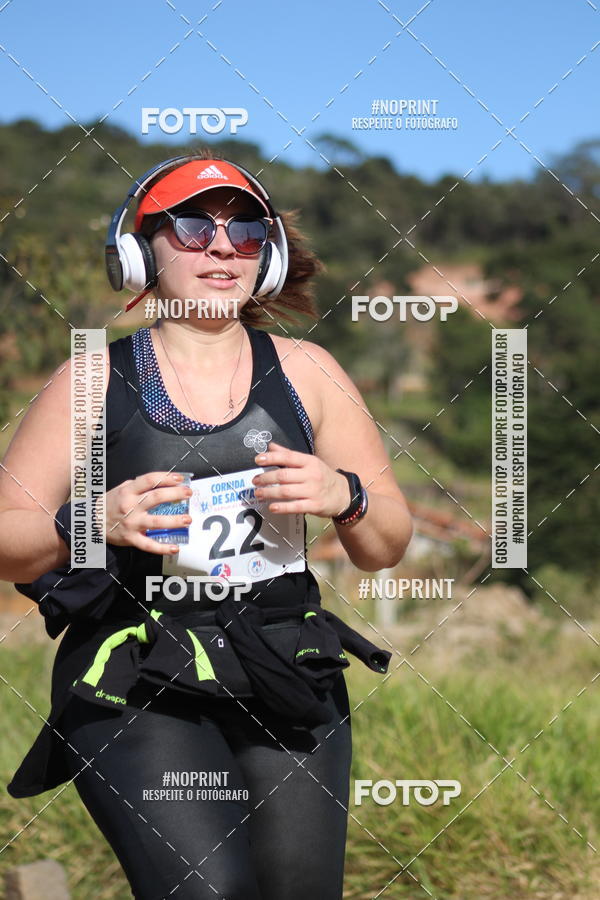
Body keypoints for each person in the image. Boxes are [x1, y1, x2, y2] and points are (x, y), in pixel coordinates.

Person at [0, 150, 413, 899]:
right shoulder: (91, 376)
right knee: (206, 890)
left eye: (247, 231)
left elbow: (386, 542)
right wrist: (93, 521)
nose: (222, 248)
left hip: (287, 666)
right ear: (138, 252)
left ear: (270, 255)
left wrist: (342, 490)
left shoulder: (309, 371)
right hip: (136, 674)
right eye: (191, 228)